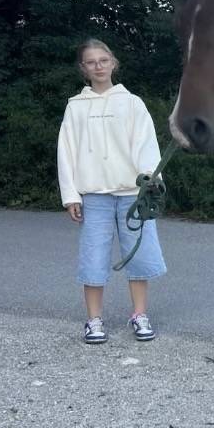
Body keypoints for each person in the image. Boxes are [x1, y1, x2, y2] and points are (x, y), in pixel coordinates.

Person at [57, 39, 167, 344]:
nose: (98, 67)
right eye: (91, 62)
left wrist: (151, 184)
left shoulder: (131, 103)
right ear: (83, 68)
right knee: (93, 256)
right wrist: (71, 196)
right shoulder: (75, 107)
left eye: (103, 60)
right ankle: (93, 321)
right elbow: (65, 152)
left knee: (139, 254)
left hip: (132, 194)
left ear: (113, 63)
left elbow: (147, 146)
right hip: (94, 196)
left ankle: (139, 314)